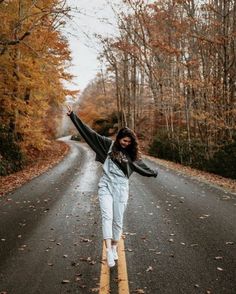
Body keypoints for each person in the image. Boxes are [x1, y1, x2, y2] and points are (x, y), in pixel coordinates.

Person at [66, 105, 158, 267]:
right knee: (107, 217)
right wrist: (73, 116)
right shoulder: (106, 145)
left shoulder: (131, 154)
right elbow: (89, 134)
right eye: (123, 140)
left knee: (118, 221)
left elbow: (142, 167)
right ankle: (108, 250)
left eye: (129, 142)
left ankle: (114, 247)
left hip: (122, 189)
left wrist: (153, 172)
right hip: (106, 185)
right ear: (118, 138)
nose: (126, 144)